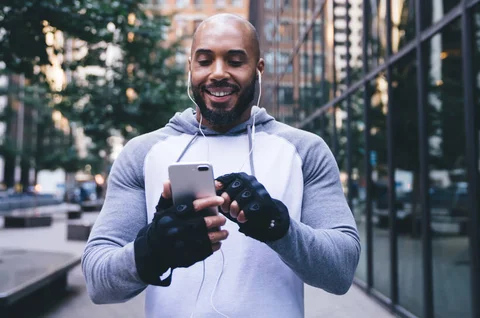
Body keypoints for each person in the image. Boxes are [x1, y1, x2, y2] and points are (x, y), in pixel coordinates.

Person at [82, 13, 360, 317]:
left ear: (258, 69)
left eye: (235, 61)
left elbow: (341, 271)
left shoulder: (306, 150)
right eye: (204, 61)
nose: (218, 73)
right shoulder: (141, 152)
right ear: (190, 68)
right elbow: (98, 282)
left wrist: (279, 228)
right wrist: (152, 251)